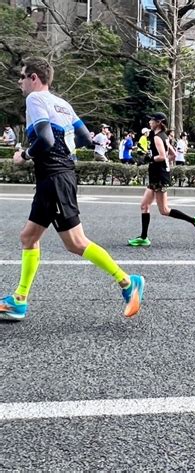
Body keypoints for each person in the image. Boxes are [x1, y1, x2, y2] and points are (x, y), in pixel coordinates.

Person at [0, 57, 144, 321]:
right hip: (59, 176)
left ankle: (127, 281)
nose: (19, 82)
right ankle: (19, 300)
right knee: (28, 237)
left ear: (34, 77)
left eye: (22, 77)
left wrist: (25, 155)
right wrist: (64, 150)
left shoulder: (35, 99)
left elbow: (45, 138)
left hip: (54, 178)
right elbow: (86, 138)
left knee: (76, 243)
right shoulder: (63, 103)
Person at [127, 112, 195, 247]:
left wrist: (150, 159)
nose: (150, 122)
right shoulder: (163, 136)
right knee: (144, 206)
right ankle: (144, 237)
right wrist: (157, 163)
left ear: (158, 122)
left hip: (159, 177)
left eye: (152, 120)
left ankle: (194, 220)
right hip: (158, 174)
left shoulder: (158, 137)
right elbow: (173, 154)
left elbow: (163, 156)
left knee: (164, 210)